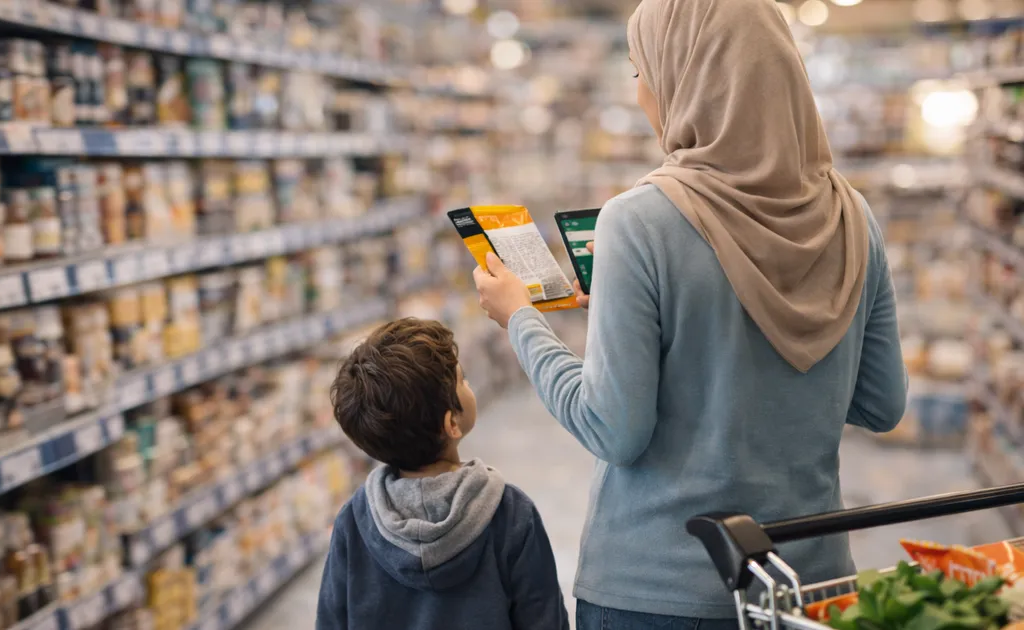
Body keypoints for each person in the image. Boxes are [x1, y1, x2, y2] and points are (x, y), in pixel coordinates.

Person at [471, 0, 909, 628]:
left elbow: (611, 430)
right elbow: (881, 404)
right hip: (808, 585)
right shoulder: (853, 217)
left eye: (641, 71)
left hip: (660, 591)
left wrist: (520, 318)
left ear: (689, 76)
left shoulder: (639, 221)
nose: (641, 93)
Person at [316, 318, 569, 630]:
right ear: (451, 424)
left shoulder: (354, 521)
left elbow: (331, 622)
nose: (468, 383)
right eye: (462, 380)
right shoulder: (511, 514)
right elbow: (545, 621)